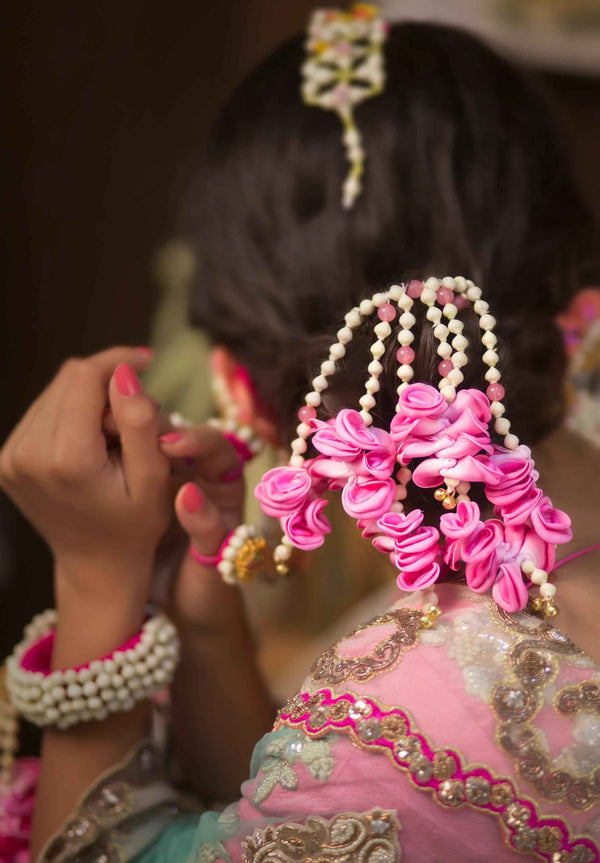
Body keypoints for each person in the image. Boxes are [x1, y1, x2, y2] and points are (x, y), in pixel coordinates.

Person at [1, 8, 600, 862]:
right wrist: (204, 615)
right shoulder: (502, 606)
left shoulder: (421, 715)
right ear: (580, 314)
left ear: (237, 387)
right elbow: (279, 798)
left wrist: (99, 583)